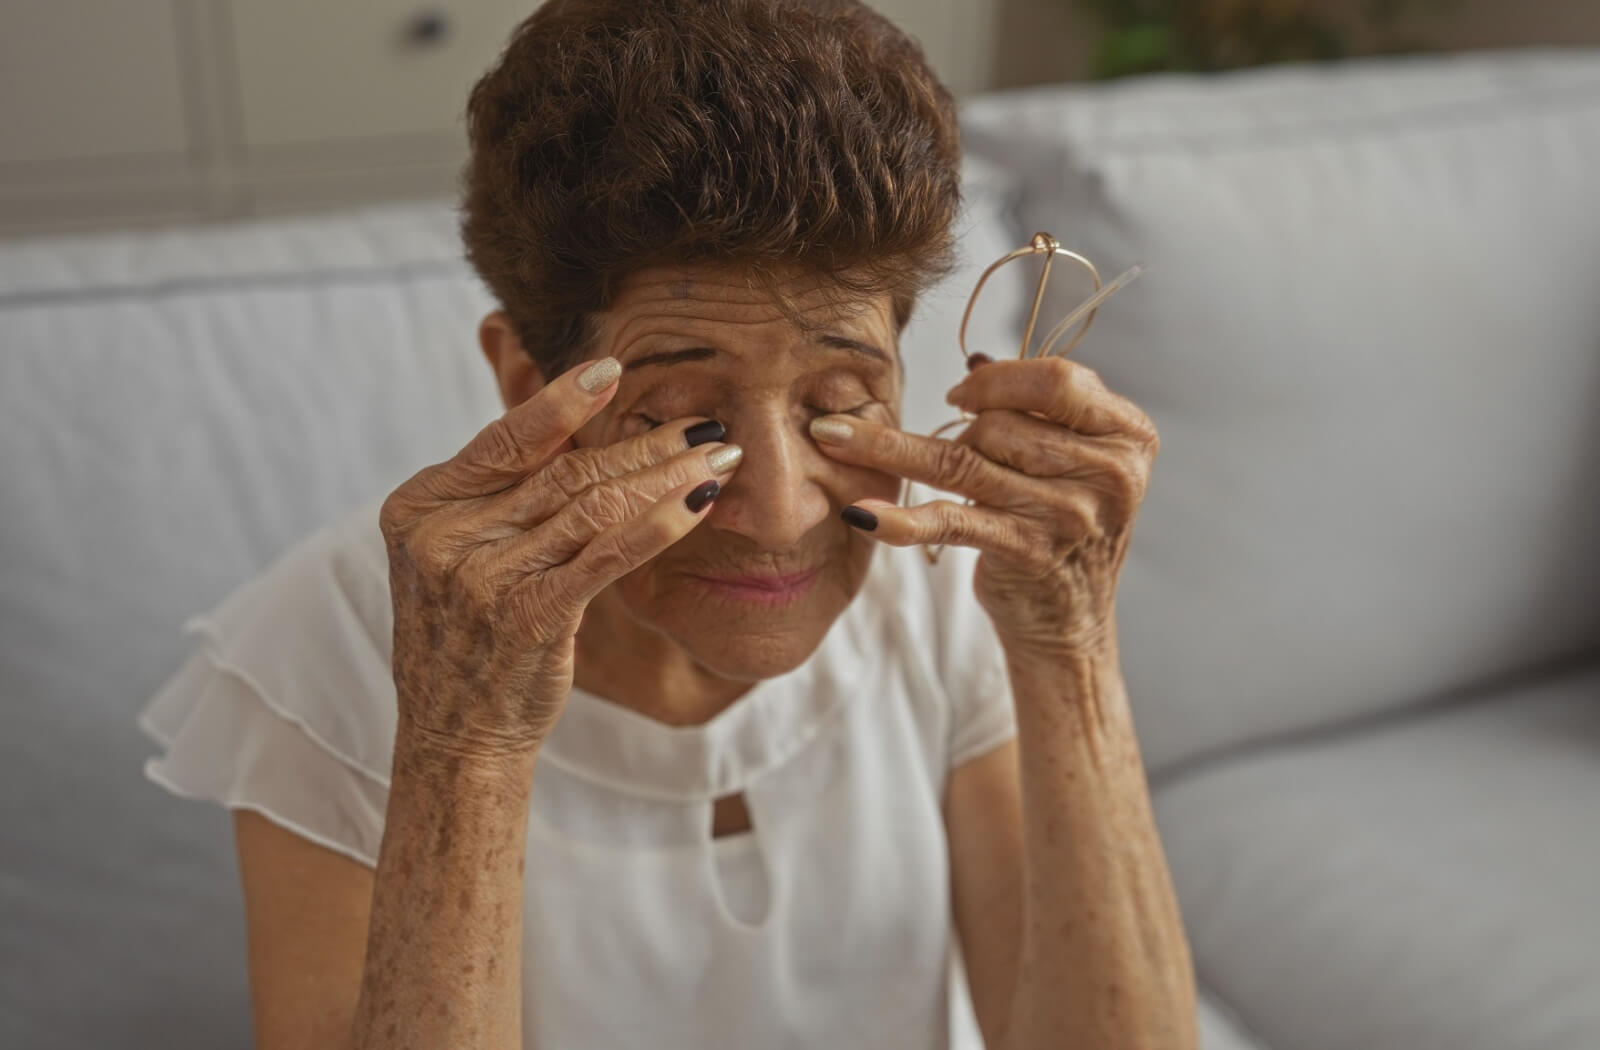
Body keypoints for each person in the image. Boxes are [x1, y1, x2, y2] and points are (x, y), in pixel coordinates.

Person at [138, 1, 1197, 1047]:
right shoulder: (334, 648)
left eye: (839, 403)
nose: (781, 513)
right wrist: (469, 742)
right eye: (681, 417)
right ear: (523, 384)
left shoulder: (943, 581)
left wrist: (1068, 637)